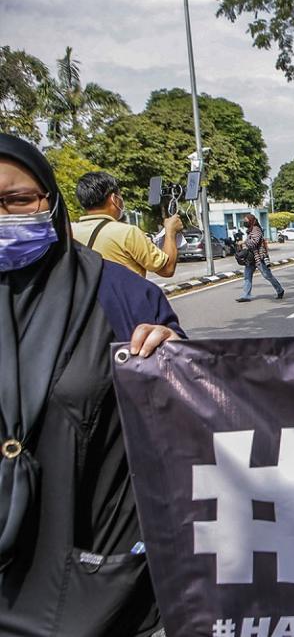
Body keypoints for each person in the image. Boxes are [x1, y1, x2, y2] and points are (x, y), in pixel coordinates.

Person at [0, 133, 182, 635]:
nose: (3, 218)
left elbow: (186, 405)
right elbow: (165, 260)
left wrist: (171, 351)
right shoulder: (125, 232)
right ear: (115, 199)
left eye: (17, 201)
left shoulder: (121, 296)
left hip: (94, 576)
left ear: (53, 203)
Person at [71, 171, 183, 278]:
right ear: (114, 198)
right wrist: (170, 232)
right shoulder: (128, 233)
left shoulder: (70, 232)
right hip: (124, 297)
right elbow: (167, 269)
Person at [236, 213, 284, 302]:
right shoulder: (250, 230)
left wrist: (243, 242)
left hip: (259, 257)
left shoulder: (256, 229)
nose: (245, 222)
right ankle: (246, 296)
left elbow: (254, 242)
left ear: (251, 221)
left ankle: (280, 290)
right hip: (250, 258)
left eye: (246, 221)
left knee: (267, 275)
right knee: (247, 276)